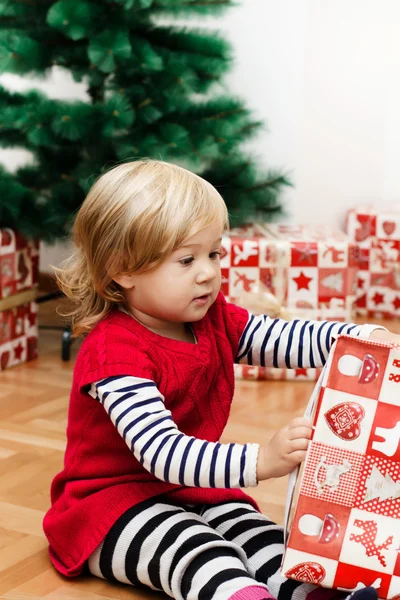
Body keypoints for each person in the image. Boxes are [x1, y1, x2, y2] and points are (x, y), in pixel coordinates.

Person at [43, 160, 393, 600]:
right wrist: (260, 462)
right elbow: (162, 453)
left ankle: (313, 593)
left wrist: (356, 337)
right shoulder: (115, 353)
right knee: (200, 552)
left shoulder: (212, 315)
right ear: (123, 269)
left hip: (194, 486)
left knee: (264, 539)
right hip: (111, 506)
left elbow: (280, 337)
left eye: (214, 254)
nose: (207, 272)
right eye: (187, 259)